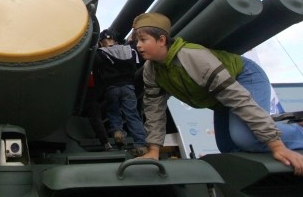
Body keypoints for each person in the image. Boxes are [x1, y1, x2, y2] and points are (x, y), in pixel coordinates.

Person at [132, 12, 303, 176]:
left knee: (246, 138)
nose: (138, 45)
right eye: (137, 41)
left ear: (162, 40)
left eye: (143, 40)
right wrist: (154, 150)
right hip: (220, 98)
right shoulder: (151, 70)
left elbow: (237, 98)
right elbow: (154, 110)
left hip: (242, 78)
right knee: (228, 148)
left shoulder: (192, 57)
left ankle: (298, 133)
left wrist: (277, 146)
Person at [94, 28, 147, 155]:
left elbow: (95, 67)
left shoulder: (100, 52)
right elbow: (136, 53)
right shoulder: (128, 49)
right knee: (132, 114)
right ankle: (140, 144)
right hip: (128, 87)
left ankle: (117, 132)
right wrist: (132, 37)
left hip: (111, 88)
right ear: (116, 41)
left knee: (113, 112)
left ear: (101, 42)